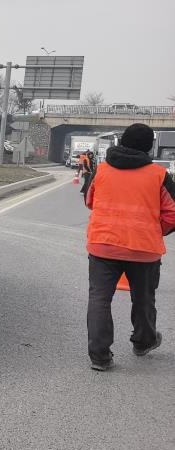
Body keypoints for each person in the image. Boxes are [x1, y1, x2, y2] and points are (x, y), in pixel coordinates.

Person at [84, 123, 174, 371]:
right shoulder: (158, 175)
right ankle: (143, 342)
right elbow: (172, 214)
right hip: (144, 249)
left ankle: (100, 357)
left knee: (99, 299)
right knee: (144, 298)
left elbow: (89, 200)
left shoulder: (101, 170)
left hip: (103, 246)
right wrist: (156, 230)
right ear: (149, 147)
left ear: (122, 142)